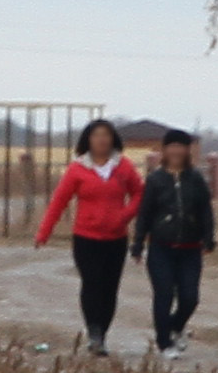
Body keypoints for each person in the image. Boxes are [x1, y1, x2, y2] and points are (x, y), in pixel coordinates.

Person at [33, 118, 143, 355]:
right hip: (86, 237)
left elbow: (139, 194)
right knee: (92, 283)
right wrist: (44, 231)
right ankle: (94, 333)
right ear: (88, 140)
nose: (102, 140)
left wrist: (125, 215)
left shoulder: (123, 166)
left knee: (109, 288)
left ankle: (102, 334)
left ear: (113, 139)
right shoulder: (78, 168)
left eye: (106, 135)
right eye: (96, 135)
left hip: (116, 238)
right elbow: (59, 201)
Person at [136, 128, 218, 358]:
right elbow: (144, 214)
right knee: (164, 294)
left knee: (190, 297)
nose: (176, 151)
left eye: (181, 146)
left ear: (187, 150)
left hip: (190, 250)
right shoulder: (155, 180)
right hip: (161, 248)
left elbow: (205, 211)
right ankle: (164, 344)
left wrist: (208, 237)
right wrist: (138, 244)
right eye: (172, 146)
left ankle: (175, 326)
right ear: (165, 150)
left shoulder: (196, 179)